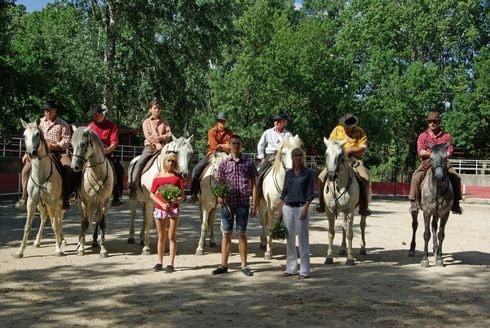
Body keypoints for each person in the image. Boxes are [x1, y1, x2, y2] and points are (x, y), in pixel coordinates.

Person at [212, 134, 258, 277]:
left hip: (243, 203)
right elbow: (217, 183)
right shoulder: (224, 164)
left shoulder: (249, 163)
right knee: (226, 234)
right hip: (228, 204)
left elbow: (255, 184)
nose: (236, 146)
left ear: (241, 144)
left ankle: (244, 265)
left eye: (238, 143)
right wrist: (219, 196)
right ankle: (223, 264)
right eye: (234, 143)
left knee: (242, 234)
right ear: (229, 145)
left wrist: (254, 204)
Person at [16, 100, 73, 211]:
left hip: (57, 152)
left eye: (49, 110)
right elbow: (31, 139)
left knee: (69, 169)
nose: (46, 112)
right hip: (38, 153)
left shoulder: (63, 124)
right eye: (45, 110)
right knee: (25, 171)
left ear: (55, 110)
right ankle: (24, 197)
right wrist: (26, 153)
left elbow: (66, 141)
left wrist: (53, 145)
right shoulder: (39, 123)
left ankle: (66, 197)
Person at [317, 113, 371, 216]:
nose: (348, 129)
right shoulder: (337, 130)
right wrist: (338, 151)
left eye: (350, 127)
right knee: (321, 176)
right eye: (346, 127)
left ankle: (364, 206)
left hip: (354, 158)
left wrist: (350, 151)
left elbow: (363, 147)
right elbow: (330, 144)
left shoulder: (360, 131)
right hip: (337, 158)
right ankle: (321, 204)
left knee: (365, 177)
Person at [409, 111, 463, 215]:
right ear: (428, 123)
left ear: (439, 122)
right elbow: (421, 151)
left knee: (456, 177)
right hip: (427, 161)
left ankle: (456, 203)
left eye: (435, 121)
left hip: (443, 161)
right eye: (430, 121)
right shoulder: (422, 136)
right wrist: (434, 154)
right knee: (416, 177)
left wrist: (441, 155)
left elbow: (450, 150)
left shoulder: (446, 136)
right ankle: (413, 203)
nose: (432, 123)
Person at [277, 147, 314, 279]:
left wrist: (305, 208)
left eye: (300, 155)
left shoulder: (308, 173)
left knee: (303, 240)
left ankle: (304, 271)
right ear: (292, 158)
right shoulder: (288, 173)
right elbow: (284, 191)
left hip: (301, 207)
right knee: (290, 239)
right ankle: (291, 268)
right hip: (287, 207)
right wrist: (280, 208)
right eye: (295, 155)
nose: (298, 157)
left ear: (303, 157)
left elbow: (310, 193)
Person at [149, 152, 185, 272]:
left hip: (173, 209)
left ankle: (171, 263)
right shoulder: (158, 175)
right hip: (160, 209)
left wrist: (176, 200)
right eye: (169, 161)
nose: (171, 163)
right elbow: (152, 194)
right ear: (165, 162)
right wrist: (162, 204)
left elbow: (182, 196)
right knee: (161, 236)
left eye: (173, 161)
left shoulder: (178, 177)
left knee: (171, 236)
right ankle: (159, 262)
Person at [129, 100, 172, 199]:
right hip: (150, 147)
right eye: (155, 108)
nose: (157, 110)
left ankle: (178, 187)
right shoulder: (146, 122)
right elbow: (148, 136)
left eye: (159, 108)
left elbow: (169, 134)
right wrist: (156, 143)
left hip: (164, 147)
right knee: (140, 163)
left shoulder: (165, 122)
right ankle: (133, 187)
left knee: (174, 162)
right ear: (150, 109)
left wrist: (160, 139)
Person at [189, 112, 233, 201]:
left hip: (226, 156)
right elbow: (213, 147)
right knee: (196, 170)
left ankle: (235, 192)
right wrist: (224, 146)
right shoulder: (211, 131)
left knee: (237, 169)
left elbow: (230, 147)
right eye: (220, 121)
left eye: (224, 121)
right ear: (217, 122)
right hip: (212, 154)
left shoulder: (230, 132)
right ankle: (194, 193)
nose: (222, 123)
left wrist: (220, 146)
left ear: (226, 122)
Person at [87, 105, 125, 207]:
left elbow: (114, 143)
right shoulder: (90, 126)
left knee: (120, 170)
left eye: (95, 115)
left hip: (107, 154)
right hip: (91, 155)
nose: (94, 117)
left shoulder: (111, 126)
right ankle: (77, 192)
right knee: (77, 168)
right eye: (93, 116)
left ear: (101, 114)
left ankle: (117, 196)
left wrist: (107, 150)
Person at [256, 112, 292, 177]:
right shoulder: (267, 132)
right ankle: (256, 187)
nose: (276, 122)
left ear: (285, 122)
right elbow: (260, 145)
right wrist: (262, 158)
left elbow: (291, 148)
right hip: (270, 157)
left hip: (283, 157)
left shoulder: (288, 135)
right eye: (275, 120)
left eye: (279, 120)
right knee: (259, 171)